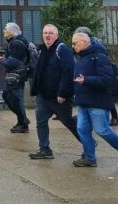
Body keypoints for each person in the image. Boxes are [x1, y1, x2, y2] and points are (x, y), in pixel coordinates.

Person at [71, 31, 118, 167]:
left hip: (97, 102)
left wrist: (86, 80)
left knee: (102, 130)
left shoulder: (100, 57)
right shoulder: (81, 58)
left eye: (75, 43)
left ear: (84, 42)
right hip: (83, 101)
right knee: (82, 129)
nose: (73, 46)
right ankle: (89, 158)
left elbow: (107, 80)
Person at [28, 24, 81, 160]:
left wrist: (63, 93)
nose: (47, 36)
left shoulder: (62, 49)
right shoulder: (42, 50)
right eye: (45, 33)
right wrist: (36, 90)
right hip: (43, 95)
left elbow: (68, 72)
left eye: (50, 33)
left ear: (56, 36)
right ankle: (44, 149)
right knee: (41, 122)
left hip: (58, 97)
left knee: (68, 122)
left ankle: (89, 143)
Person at [75, 26, 118, 126]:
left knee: (107, 96)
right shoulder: (89, 45)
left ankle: (115, 117)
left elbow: (102, 59)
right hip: (94, 74)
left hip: (101, 73)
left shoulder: (96, 46)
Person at [0, 22, 31, 133]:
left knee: (15, 99)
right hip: (17, 76)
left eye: (5, 29)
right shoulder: (17, 41)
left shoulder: (16, 44)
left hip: (16, 76)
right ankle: (22, 120)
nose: (3, 31)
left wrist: (2, 60)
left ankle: (23, 123)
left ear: (11, 32)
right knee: (9, 96)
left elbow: (14, 63)